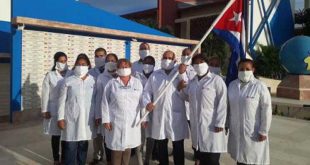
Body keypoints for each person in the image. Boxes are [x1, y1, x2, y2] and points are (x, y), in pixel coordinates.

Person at [178, 54, 228, 165]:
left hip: (212, 126)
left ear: (206, 64)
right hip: (197, 126)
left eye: (201, 62)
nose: (198, 65)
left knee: (212, 160)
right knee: (201, 158)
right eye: (195, 63)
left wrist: (220, 123)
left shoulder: (216, 80)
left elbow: (223, 102)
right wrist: (180, 90)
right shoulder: (192, 81)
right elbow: (187, 98)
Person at [144, 50, 189, 165]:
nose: (166, 60)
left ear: (175, 60)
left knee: (178, 145)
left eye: (169, 58)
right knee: (161, 144)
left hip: (176, 115)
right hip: (160, 114)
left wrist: (182, 76)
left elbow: (187, 95)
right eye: (165, 57)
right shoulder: (155, 75)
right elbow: (147, 92)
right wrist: (147, 102)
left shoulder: (180, 73)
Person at [228, 59, 272, 165]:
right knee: (240, 159)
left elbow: (266, 109)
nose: (244, 71)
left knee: (253, 159)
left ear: (253, 70)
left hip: (254, 131)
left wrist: (263, 130)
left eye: (247, 69)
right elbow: (228, 107)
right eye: (241, 69)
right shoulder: (232, 85)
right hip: (236, 130)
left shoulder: (260, 86)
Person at [101, 59, 143, 165]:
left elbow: (142, 102)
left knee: (128, 148)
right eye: (121, 67)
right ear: (117, 69)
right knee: (116, 150)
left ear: (130, 67)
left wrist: (144, 119)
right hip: (116, 121)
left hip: (132, 121)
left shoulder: (137, 83)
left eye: (126, 66)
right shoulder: (111, 83)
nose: (123, 69)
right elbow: (105, 102)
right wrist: (106, 120)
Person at [58, 53, 96, 165]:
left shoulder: (93, 80)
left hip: (87, 119)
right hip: (71, 119)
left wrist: (97, 116)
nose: (81, 66)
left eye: (83, 64)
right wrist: (60, 118)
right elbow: (61, 101)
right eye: (78, 64)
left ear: (88, 65)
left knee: (83, 146)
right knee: (70, 146)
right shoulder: (68, 80)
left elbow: (97, 100)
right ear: (74, 66)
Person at [41, 52, 71, 165]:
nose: (63, 63)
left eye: (65, 61)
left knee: (65, 135)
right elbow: (45, 93)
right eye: (60, 61)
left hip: (67, 109)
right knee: (56, 136)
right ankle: (56, 159)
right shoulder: (50, 75)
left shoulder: (71, 73)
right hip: (53, 109)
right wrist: (45, 109)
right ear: (56, 62)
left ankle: (64, 158)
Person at [95, 53, 118, 165]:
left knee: (117, 137)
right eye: (108, 60)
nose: (110, 62)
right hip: (106, 113)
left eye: (113, 60)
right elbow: (98, 97)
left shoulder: (122, 76)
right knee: (107, 138)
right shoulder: (101, 77)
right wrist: (98, 115)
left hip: (119, 114)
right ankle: (109, 160)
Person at [133, 56, 156, 165]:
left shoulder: (156, 76)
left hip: (152, 111)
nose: (147, 64)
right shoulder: (136, 76)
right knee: (139, 139)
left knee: (150, 138)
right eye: (145, 62)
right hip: (138, 111)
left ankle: (147, 159)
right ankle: (140, 161)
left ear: (154, 65)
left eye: (150, 63)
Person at [88, 47, 107, 165]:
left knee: (107, 135)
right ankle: (97, 156)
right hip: (94, 107)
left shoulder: (111, 71)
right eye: (97, 56)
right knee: (96, 135)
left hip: (107, 108)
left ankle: (109, 157)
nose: (99, 58)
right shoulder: (90, 72)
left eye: (102, 56)